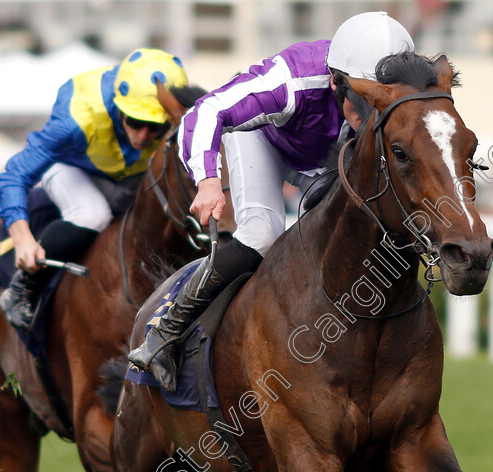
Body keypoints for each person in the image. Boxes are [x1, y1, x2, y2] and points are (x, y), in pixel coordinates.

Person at [128, 12, 415, 391]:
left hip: (322, 158)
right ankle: (166, 331)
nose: (370, 117)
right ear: (336, 82)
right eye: (362, 102)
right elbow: (206, 111)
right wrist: (208, 181)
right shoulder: (291, 80)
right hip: (262, 139)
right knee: (263, 234)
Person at [0, 48, 188, 331]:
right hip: (71, 166)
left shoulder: (182, 117)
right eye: (135, 122)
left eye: (154, 127)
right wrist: (22, 238)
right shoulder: (74, 121)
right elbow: (14, 174)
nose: (143, 136)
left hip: (128, 174)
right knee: (92, 213)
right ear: (119, 106)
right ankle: (22, 287)